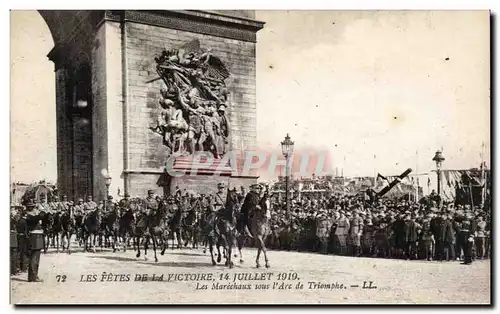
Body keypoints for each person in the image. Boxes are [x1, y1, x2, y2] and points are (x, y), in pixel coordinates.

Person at [25, 201, 44, 282]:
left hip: (37, 237)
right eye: (32, 207)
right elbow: (38, 217)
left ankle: (32, 276)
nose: (34, 209)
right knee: (34, 258)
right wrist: (41, 210)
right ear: (29, 208)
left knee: (35, 257)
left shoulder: (32, 215)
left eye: (34, 207)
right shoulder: (29, 216)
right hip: (34, 237)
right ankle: (33, 276)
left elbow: (42, 217)